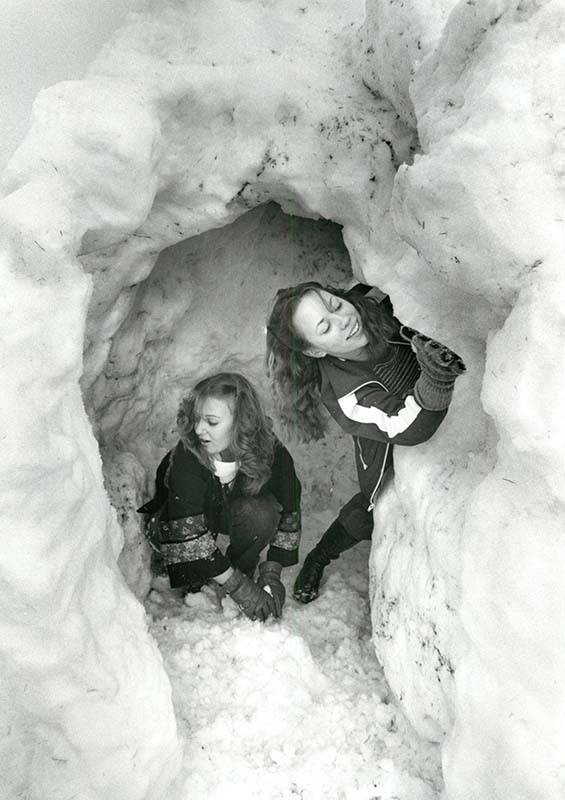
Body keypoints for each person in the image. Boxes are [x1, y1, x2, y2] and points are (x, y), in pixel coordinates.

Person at [266, 282, 465, 604]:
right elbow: (404, 426)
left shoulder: (371, 305)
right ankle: (319, 557)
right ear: (316, 350)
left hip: (434, 405)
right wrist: (437, 380)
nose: (342, 320)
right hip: (387, 442)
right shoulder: (347, 394)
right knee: (370, 509)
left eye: (335, 305)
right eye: (325, 326)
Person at [138, 373, 301, 622]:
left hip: (228, 509)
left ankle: (238, 566)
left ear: (241, 423)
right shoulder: (188, 454)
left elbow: (289, 508)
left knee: (263, 512)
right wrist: (238, 586)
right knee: (188, 569)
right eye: (197, 418)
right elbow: (186, 531)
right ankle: (215, 575)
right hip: (181, 518)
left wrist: (272, 573)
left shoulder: (270, 451)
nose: (199, 429)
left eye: (211, 422)